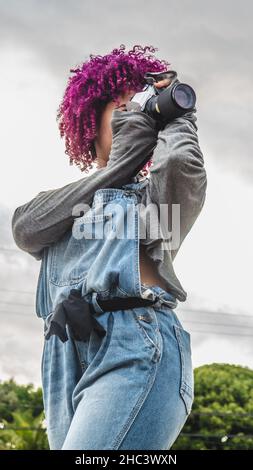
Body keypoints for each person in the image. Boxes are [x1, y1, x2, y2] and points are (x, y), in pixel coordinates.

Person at [12, 44, 207, 450]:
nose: (130, 119)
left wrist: (177, 119)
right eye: (120, 109)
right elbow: (25, 227)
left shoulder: (151, 202)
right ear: (89, 120)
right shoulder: (61, 204)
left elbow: (182, 169)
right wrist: (119, 165)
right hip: (63, 360)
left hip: (136, 346)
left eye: (136, 110)